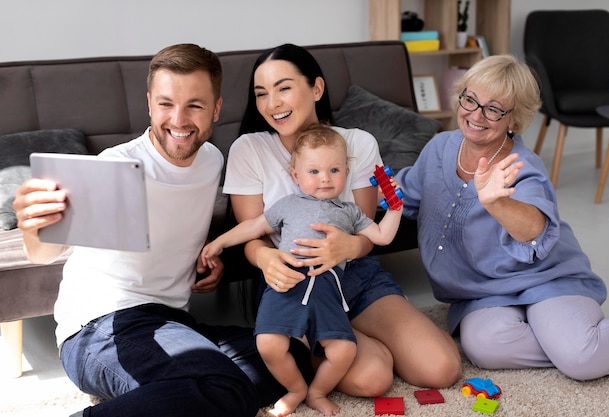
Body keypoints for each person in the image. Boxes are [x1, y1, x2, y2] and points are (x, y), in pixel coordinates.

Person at [12, 43, 303, 417]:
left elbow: (176, 228)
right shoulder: (115, 166)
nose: (179, 120)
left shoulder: (213, 161)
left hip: (174, 321)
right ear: (150, 103)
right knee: (222, 386)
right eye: (166, 104)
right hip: (100, 328)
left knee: (291, 353)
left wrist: (207, 260)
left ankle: (169, 395)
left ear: (216, 108)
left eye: (195, 106)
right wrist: (32, 227)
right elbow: (45, 252)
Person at [215, 43, 462, 399]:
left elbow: (365, 230)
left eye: (284, 87)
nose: (273, 104)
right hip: (293, 284)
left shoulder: (358, 143)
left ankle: (367, 326)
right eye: (262, 94)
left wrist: (349, 246)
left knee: (442, 369)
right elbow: (253, 235)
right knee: (372, 378)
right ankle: (348, 338)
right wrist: (266, 258)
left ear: (316, 88)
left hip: (355, 274)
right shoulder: (249, 149)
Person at [395, 54, 609, 381]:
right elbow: (409, 192)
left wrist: (496, 202)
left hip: (547, 280)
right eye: (470, 99)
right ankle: (564, 338)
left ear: (514, 120)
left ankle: (576, 345)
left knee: (582, 359)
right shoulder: (439, 147)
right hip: (483, 292)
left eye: (493, 109)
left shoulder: (521, 167)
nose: (476, 115)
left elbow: (534, 229)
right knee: (484, 348)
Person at [202, 124, 403, 416]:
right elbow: (253, 227)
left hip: (327, 293)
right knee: (267, 343)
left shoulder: (350, 212)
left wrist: (395, 208)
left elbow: (382, 237)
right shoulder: (288, 205)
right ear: (295, 175)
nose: (325, 179)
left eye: (334, 170)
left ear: (346, 172)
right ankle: (295, 389)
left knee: (343, 351)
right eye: (314, 172)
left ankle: (316, 392)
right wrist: (218, 243)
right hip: (286, 287)